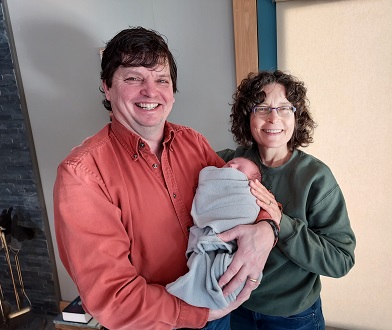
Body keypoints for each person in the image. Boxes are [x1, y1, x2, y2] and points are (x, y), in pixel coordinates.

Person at [53, 27, 281, 330]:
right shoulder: (82, 174)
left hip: (215, 311)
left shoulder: (193, 142)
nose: (151, 91)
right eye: (134, 78)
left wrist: (267, 229)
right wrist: (196, 315)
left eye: (162, 79)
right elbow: (113, 296)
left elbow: (250, 196)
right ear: (107, 87)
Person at [217, 70, 356, 330]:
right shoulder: (230, 163)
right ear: (247, 116)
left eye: (284, 108)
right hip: (234, 308)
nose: (273, 118)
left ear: (296, 116)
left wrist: (281, 223)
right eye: (262, 108)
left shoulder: (315, 178)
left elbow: (341, 260)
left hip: (293, 317)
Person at [166, 158, 275, 309]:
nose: (231, 165)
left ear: (253, 181)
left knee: (228, 269)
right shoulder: (218, 156)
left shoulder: (196, 143)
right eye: (230, 163)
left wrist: (268, 226)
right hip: (175, 310)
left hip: (265, 301)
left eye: (239, 169)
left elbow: (267, 202)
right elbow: (210, 184)